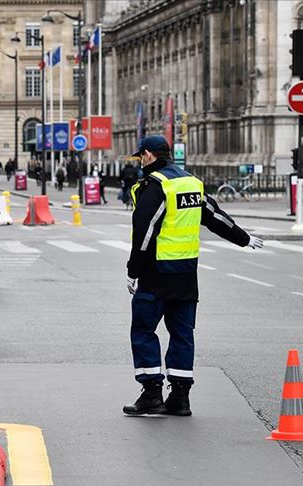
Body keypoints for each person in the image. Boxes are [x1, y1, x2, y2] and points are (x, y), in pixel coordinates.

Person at [122, 135, 264, 417]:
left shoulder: (156, 186)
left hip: (156, 273)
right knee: (183, 334)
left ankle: (152, 393)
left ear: (148, 155)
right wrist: (244, 238)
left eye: (141, 158)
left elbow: (145, 233)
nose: (141, 162)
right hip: (187, 275)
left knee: (143, 330)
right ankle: (180, 397)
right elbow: (215, 217)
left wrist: (133, 271)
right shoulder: (191, 183)